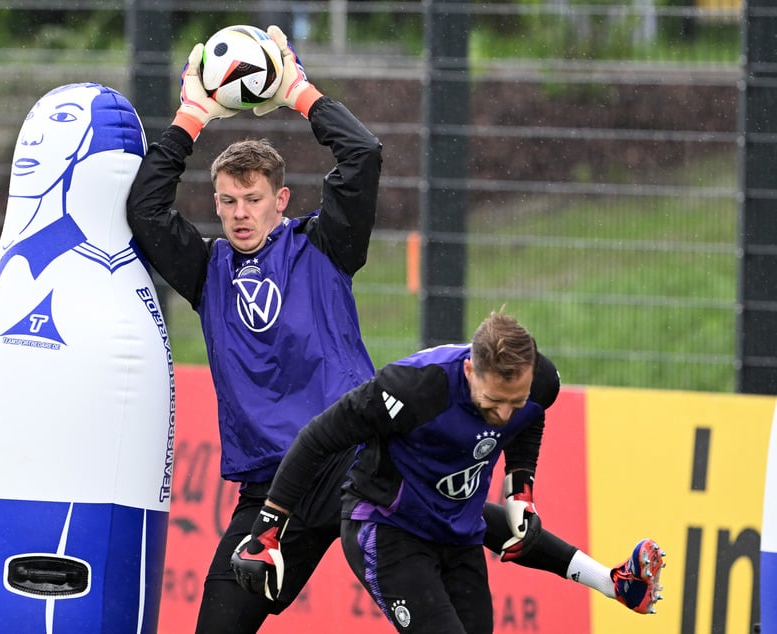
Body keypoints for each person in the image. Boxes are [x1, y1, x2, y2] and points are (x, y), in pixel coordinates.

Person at [126, 25, 664, 634]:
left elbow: (364, 154)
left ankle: (610, 580)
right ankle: (611, 578)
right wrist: (192, 116)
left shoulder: (323, 245)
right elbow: (145, 210)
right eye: (227, 201)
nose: (240, 213)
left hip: (352, 456)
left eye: (252, 198)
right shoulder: (207, 270)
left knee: (454, 515)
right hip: (270, 485)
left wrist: (299, 91)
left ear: (282, 199)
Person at [230, 310, 662, 633]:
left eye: (516, 399)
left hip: (457, 532)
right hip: (387, 528)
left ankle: (613, 582)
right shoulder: (412, 388)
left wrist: (521, 490)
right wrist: (267, 531)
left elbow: (530, 419)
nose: (504, 413)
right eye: (494, 401)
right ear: (471, 370)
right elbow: (316, 439)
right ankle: (610, 581)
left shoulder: (538, 383)